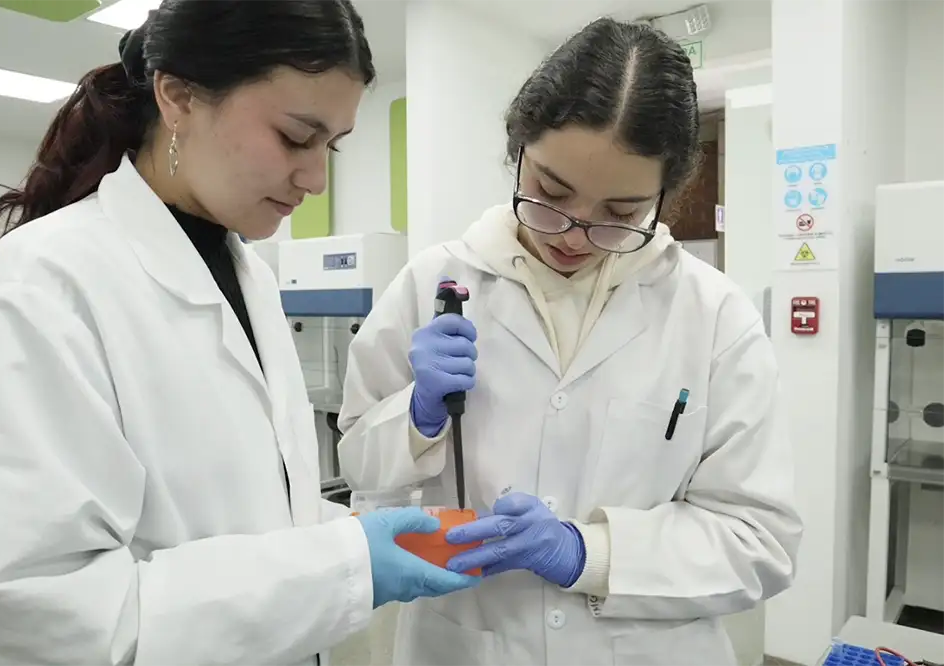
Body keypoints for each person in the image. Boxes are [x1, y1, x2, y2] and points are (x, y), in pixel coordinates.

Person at [0, 2, 478, 665]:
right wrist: (343, 564)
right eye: (295, 136)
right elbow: (34, 618)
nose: (316, 178)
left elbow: (251, 510)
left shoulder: (245, 272)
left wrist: (362, 535)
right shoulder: (42, 287)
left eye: (332, 146)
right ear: (177, 96)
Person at [337, 16, 803, 666]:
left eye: (620, 214)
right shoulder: (431, 283)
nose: (574, 236)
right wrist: (412, 419)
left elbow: (760, 541)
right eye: (551, 193)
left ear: (663, 194)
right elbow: (362, 470)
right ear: (519, 147)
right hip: (466, 644)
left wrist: (592, 553)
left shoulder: (714, 315)